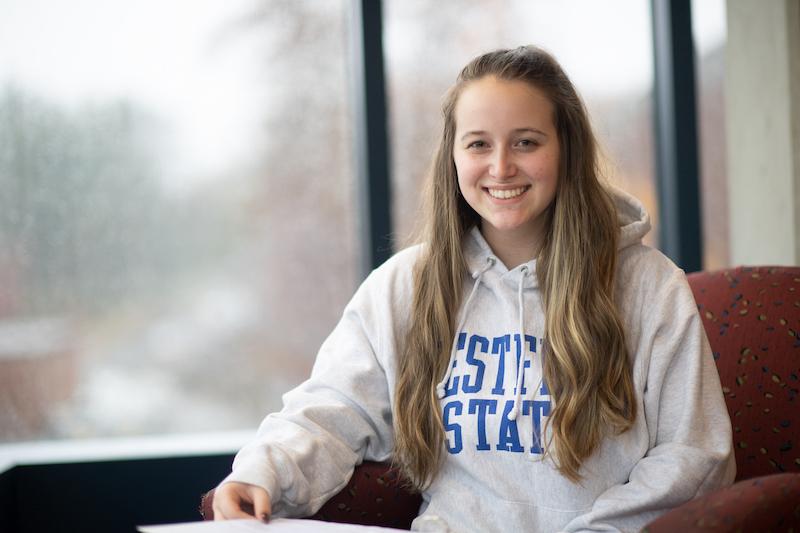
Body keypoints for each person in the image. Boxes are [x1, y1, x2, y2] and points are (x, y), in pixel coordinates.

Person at [213, 45, 735, 532]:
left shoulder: (649, 287)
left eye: (526, 142)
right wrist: (263, 471)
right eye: (479, 144)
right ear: (454, 156)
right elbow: (333, 409)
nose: (501, 166)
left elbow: (695, 458)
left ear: (566, 150)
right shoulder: (404, 286)